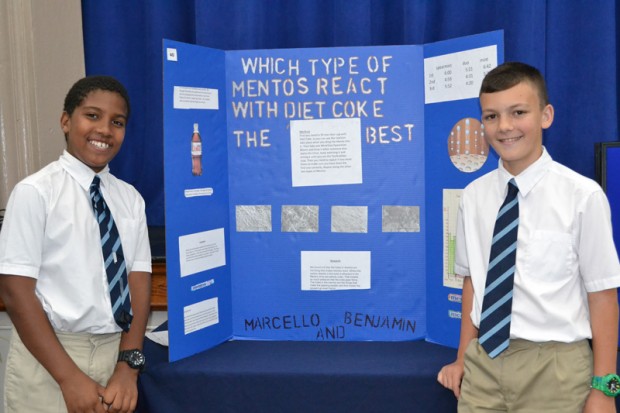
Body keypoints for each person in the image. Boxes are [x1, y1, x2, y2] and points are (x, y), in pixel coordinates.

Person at [437, 62, 620, 412]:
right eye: (491, 116)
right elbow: (473, 280)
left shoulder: (582, 196)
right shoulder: (473, 197)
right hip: (483, 366)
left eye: (518, 112)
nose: (504, 126)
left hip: (556, 369)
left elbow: (603, 295)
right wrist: (462, 358)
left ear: (545, 116)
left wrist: (605, 389)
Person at [0, 76, 152, 413]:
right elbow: (15, 291)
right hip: (49, 360)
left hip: (114, 356)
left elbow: (138, 282)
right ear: (66, 121)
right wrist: (69, 378)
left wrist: (128, 366)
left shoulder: (130, 199)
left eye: (117, 122)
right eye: (92, 116)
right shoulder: (35, 192)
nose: (105, 130)